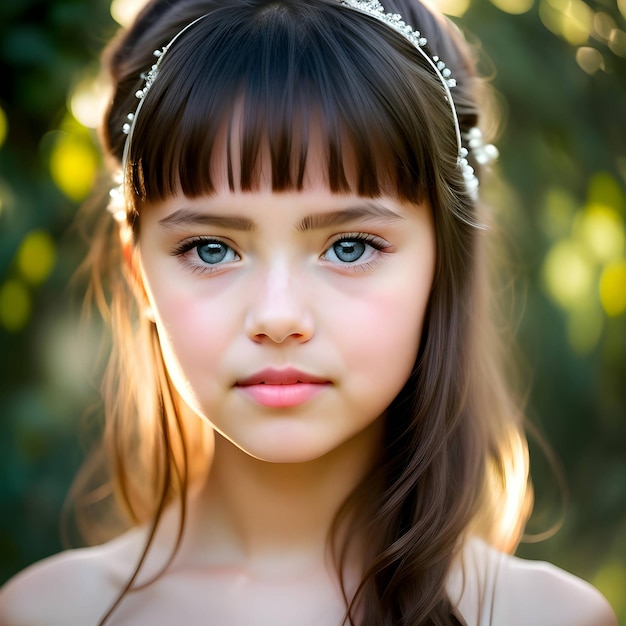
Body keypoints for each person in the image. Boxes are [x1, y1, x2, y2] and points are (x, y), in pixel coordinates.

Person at [0, 0, 618, 624]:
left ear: (443, 262)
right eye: (211, 249)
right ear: (140, 275)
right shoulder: (45, 613)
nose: (277, 315)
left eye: (349, 247)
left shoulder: (546, 616)